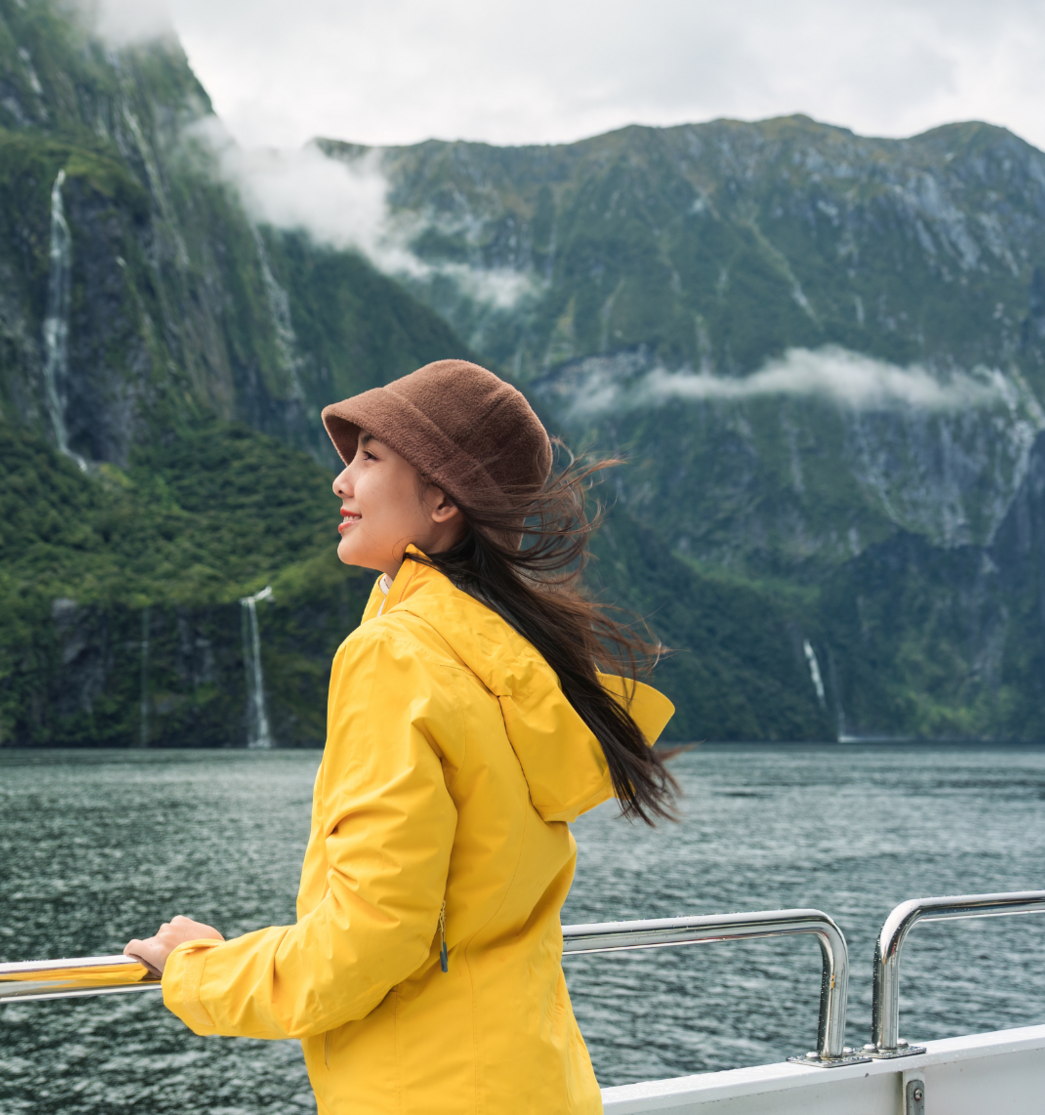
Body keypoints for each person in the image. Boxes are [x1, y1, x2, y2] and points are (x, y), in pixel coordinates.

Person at [125, 359, 680, 1114]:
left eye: (370, 456)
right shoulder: (510, 663)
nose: (341, 481)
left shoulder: (396, 656)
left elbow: (365, 942)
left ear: (443, 495)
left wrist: (196, 969)